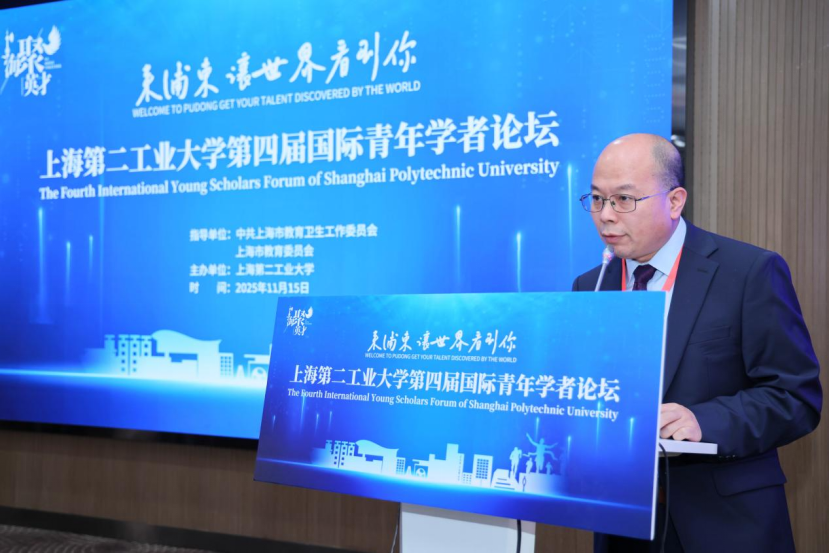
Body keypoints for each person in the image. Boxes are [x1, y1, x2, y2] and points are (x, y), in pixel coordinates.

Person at [572, 134, 822, 552]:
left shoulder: (748, 272)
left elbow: (795, 397)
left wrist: (703, 421)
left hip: (725, 524)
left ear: (674, 201)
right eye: (596, 199)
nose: (606, 216)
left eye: (624, 200)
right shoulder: (590, 286)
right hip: (626, 522)